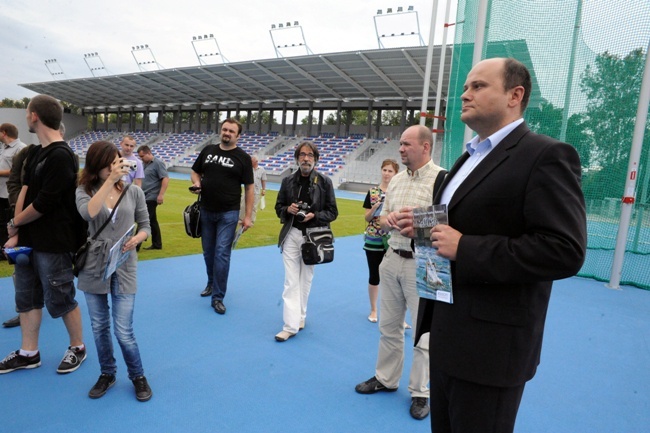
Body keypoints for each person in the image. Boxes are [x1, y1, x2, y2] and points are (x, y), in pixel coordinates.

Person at [405, 58, 587, 432]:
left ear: (514, 96)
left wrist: (466, 247)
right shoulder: (466, 159)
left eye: (478, 86)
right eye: (466, 86)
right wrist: (422, 228)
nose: (464, 94)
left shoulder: (545, 155)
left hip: (490, 351)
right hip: (445, 337)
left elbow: (564, 250)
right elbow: (455, 228)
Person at [355, 124, 444, 420]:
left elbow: (448, 224)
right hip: (392, 256)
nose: (401, 149)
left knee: (424, 333)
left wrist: (415, 222)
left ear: (425, 147)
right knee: (389, 327)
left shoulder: (442, 179)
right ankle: (386, 378)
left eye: (406, 144)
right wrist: (388, 219)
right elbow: (379, 222)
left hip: (426, 261)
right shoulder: (396, 181)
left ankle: (420, 392)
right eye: (401, 145)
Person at [0, 95, 87, 375]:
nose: (26, 117)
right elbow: (25, 190)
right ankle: (29, 352)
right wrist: (16, 230)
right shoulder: (36, 152)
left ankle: (77, 347)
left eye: (27, 112)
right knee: (27, 297)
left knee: (60, 297)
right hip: (28, 241)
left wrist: (14, 221)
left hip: (54, 241)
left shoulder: (62, 155)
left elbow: (43, 205)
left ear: (35, 115)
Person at [76, 140, 153, 402]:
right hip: (94, 265)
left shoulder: (133, 192)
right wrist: (109, 182)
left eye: (116, 161)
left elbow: (146, 225)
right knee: (99, 327)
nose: (114, 167)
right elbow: (89, 213)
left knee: (123, 330)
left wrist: (138, 238)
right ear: (96, 164)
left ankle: (138, 375)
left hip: (124, 263)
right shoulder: (84, 190)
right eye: (108, 163)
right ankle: (107, 373)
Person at [274, 141, 338, 342]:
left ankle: (300, 316)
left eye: (310, 155)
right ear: (297, 158)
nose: (306, 158)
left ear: (316, 159)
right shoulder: (287, 182)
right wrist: (288, 210)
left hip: (313, 238)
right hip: (291, 234)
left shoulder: (325, 182)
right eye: (302, 154)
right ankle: (290, 326)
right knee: (291, 281)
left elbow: (333, 212)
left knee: (305, 280)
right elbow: (278, 207)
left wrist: (315, 215)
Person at [190, 118, 254, 314]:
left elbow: (250, 188)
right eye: (225, 129)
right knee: (208, 253)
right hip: (207, 210)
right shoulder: (208, 151)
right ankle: (211, 283)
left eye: (231, 131)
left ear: (238, 136)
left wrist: (248, 216)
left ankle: (218, 297)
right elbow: (195, 171)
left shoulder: (243, 157)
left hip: (229, 213)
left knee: (222, 254)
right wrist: (198, 184)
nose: (227, 133)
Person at [362, 159, 398, 323]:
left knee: (396, 277)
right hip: (374, 239)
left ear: (396, 173)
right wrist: (375, 208)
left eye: (390, 171)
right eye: (384, 170)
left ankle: (398, 315)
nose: (386, 173)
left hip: (393, 240)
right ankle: (374, 309)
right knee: (374, 275)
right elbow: (367, 217)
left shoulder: (398, 192)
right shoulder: (373, 192)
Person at [0, 124, 27, 328]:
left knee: (22, 262)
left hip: (14, 203)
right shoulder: (3, 148)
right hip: (8, 200)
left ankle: (27, 308)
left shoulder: (22, 149)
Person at [137, 145, 169, 250]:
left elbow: (165, 178)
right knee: (152, 221)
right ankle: (157, 244)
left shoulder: (158, 163)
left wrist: (161, 194)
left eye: (142, 156)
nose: (141, 158)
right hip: (144, 195)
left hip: (152, 196)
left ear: (148, 153)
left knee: (143, 220)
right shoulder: (144, 164)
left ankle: (135, 245)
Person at [0, 124, 26, 249]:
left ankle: (7, 248)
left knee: (9, 222)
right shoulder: (3, 147)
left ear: (4, 133)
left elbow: (19, 171)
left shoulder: (21, 148)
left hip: (10, 194)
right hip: (1, 191)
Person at [239, 154, 267, 225]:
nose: (250, 162)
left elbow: (263, 180)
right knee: (242, 205)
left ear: (256, 162)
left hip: (256, 192)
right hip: (247, 191)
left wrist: (264, 189)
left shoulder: (262, 170)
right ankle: (240, 219)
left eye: (252, 161)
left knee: (254, 207)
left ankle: (251, 221)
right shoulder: (248, 169)